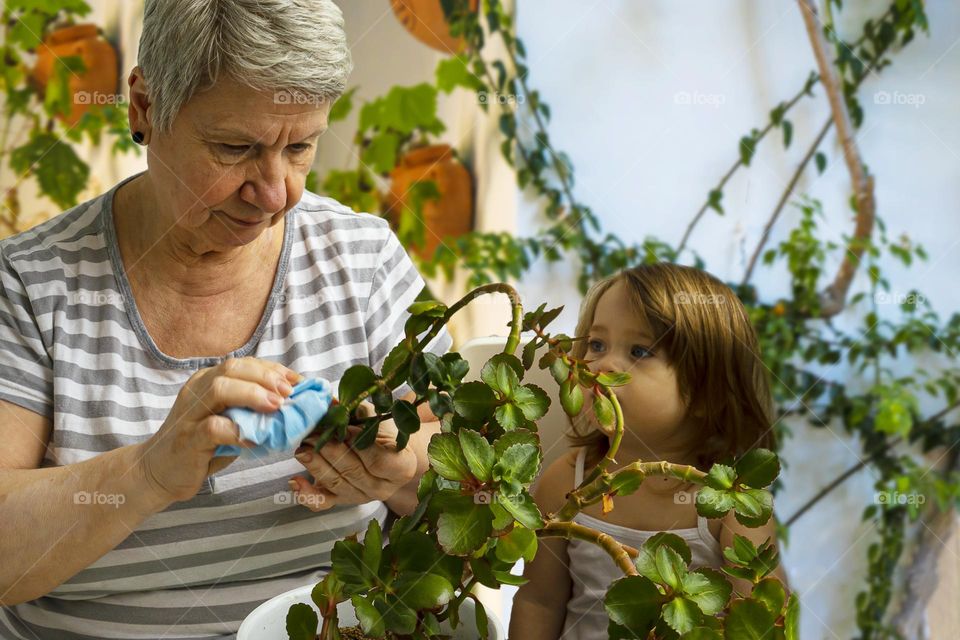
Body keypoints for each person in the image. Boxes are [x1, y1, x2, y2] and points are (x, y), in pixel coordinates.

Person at [0, 1, 451, 638]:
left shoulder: (365, 259)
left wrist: (401, 474)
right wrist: (150, 472)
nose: (276, 193)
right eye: (235, 148)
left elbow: (462, 478)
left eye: (300, 146)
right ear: (144, 108)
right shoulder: (28, 282)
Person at [510, 263, 790, 639]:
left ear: (706, 394)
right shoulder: (564, 481)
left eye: (639, 351)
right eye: (596, 344)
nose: (604, 364)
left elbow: (763, 624)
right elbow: (538, 602)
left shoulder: (731, 508)